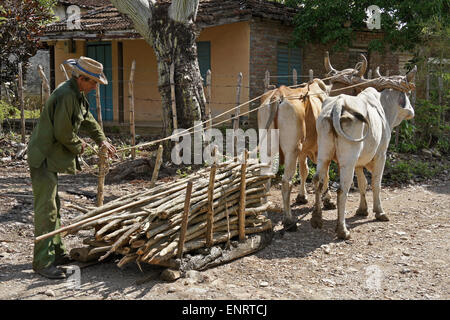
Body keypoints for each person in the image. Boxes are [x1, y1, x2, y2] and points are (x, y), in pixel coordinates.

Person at [27, 56, 116, 279]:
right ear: (82, 78)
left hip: (51, 157)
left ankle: (56, 253)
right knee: (46, 210)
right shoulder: (66, 95)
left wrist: (101, 139)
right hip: (44, 157)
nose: (96, 86)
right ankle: (42, 262)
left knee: (54, 205)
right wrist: (81, 146)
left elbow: (87, 119)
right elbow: (63, 133)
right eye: (94, 82)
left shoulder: (77, 94)